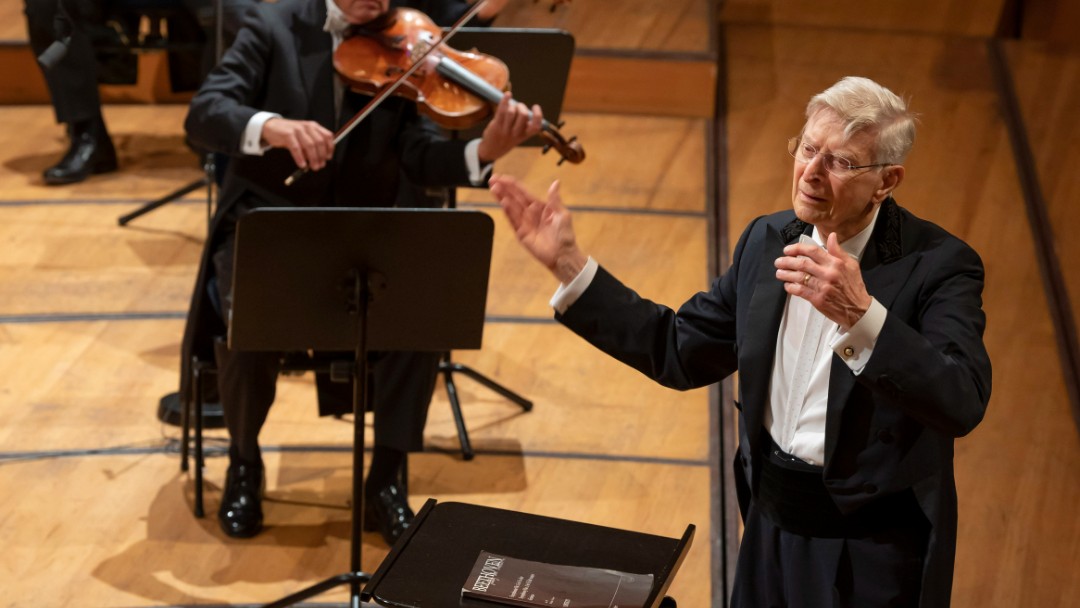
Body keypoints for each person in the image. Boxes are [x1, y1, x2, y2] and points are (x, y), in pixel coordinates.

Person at [491, 76, 991, 607]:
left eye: (841, 162)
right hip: (766, 525)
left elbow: (961, 399)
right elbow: (679, 350)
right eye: (808, 149)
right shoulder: (765, 240)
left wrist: (862, 317)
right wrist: (569, 265)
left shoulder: (939, 265)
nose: (811, 173)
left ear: (886, 181)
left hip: (867, 554)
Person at [181, 0, 542, 544]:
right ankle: (244, 462)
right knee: (249, 318)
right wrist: (272, 127)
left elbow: (419, 155)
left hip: (365, 225)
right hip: (273, 224)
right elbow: (206, 111)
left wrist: (483, 150)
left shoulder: (407, 42)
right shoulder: (272, 25)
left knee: (422, 314)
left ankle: (387, 478)